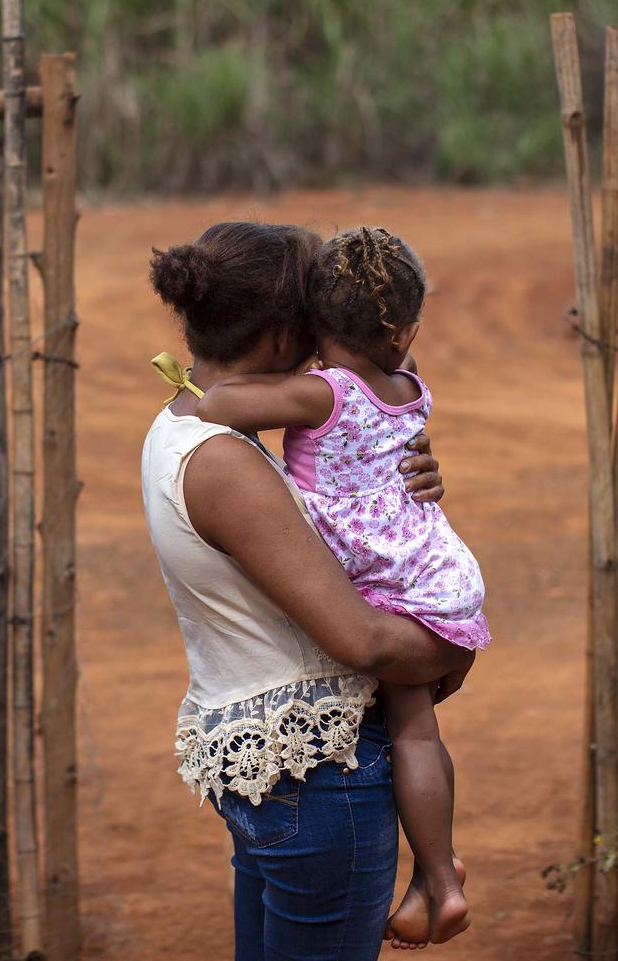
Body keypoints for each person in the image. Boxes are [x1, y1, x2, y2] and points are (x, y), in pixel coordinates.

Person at [142, 220, 475, 960]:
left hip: (271, 765)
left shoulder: (186, 422)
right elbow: (363, 641)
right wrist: (453, 655)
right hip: (319, 785)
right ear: (278, 338)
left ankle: (436, 871)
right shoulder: (225, 460)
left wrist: (392, 460)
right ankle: (440, 869)